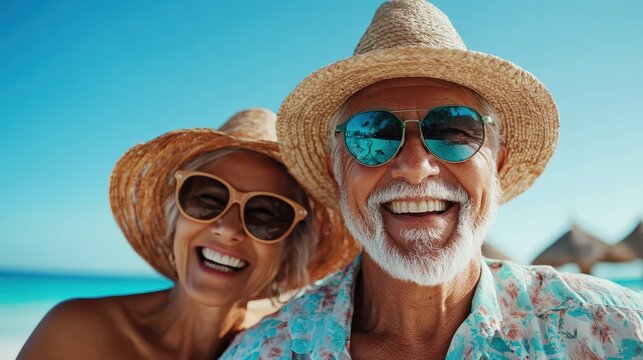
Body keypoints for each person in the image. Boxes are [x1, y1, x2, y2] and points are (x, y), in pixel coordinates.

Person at [224, 1, 643, 359]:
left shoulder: (617, 328)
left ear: (495, 164)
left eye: (454, 131)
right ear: (337, 173)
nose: (414, 166)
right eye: (373, 135)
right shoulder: (263, 350)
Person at [18, 109, 358, 359]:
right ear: (176, 218)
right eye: (207, 198)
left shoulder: (292, 343)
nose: (227, 228)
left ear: (289, 248)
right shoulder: (75, 334)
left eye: (265, 214)